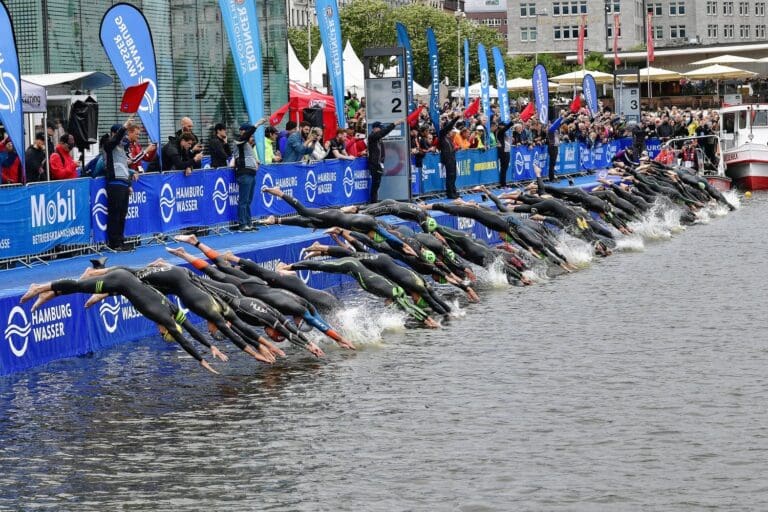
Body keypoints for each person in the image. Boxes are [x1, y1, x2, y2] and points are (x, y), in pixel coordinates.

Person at [21, 270, 222, 374]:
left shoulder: (172, 310)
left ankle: (48, 294)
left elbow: (189, 328)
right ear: (165, 330)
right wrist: (202, 361)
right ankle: (39, 287)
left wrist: (210, 346)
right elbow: (184, 340)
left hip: (124, 283)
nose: (159, 332)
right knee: (79, 286)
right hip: (119, 281)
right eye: (162, 334)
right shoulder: (163, 318)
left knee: (82, 288)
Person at [104, 119, 139, 252]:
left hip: (123, 184)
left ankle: (121, 241)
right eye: (121, 134)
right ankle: (114, 242)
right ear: (114, 133)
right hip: (114, 183)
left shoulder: (122, 149)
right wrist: (124, 127)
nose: (124, 137)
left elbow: (124, 167)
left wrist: (128, 184)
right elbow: (114, 141)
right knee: (115, 214)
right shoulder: (109, 145)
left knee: (122, 214)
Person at [234, 122, 259, 231]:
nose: (252, 137)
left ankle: (248, 222)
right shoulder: (239, 142)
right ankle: (243, 224)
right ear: (243, 132)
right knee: (244, 201)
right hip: (244, 174)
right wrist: (257, 125)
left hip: (251, 174)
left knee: (248, 200)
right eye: (250, 134)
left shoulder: (247, 144)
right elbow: (246, 136)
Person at [367, 120, 399, 203]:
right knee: (375, 184)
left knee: (377, 185)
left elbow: (381, 152)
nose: (381, 130)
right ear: (375, 129)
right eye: (380, 128)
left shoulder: (379, 139)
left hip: (379, 164)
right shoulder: (372, 137)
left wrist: (382, 162)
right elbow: (383, 133)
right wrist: (393, 124)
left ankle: (375, 201)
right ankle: (373, 203)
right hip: (375, 164)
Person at [439, 113, 461, 199]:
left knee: (454, 176)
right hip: (447, 159)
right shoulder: (441, 134)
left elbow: (450, 148)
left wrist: (455, 149)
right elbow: (448, 126)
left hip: (452, 158)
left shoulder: (448, 138)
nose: (452, 131)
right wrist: (456, 118)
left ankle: (454, 191)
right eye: (451, 130)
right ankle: (450, 193)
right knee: (450, 176)